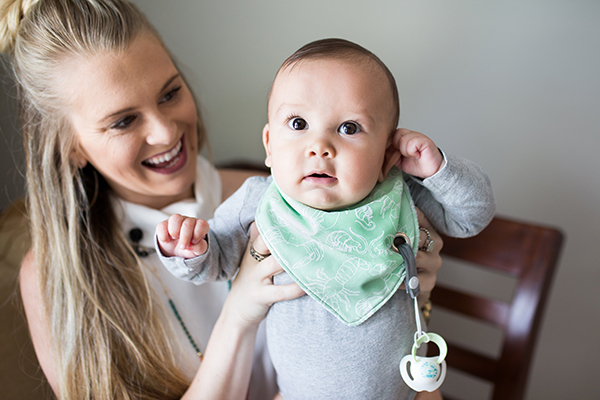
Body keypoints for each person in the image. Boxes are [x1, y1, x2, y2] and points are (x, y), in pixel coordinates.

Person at [0, 1, 444, 400]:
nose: (166, 132)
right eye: (123, 121)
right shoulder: (52, 276)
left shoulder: (275, 194)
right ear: (70, 147)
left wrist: (410, 291)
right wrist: (239, 312)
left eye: (170, 93)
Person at [156, 39, 496, 400]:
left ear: (386, 154)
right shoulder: (260, 201)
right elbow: (218, 262)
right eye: (299, 123)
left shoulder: (399, 193)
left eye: (349, 128)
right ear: (270, 145)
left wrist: (438, 169)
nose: (319, 145)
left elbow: (471, 218)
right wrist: (189, 248)